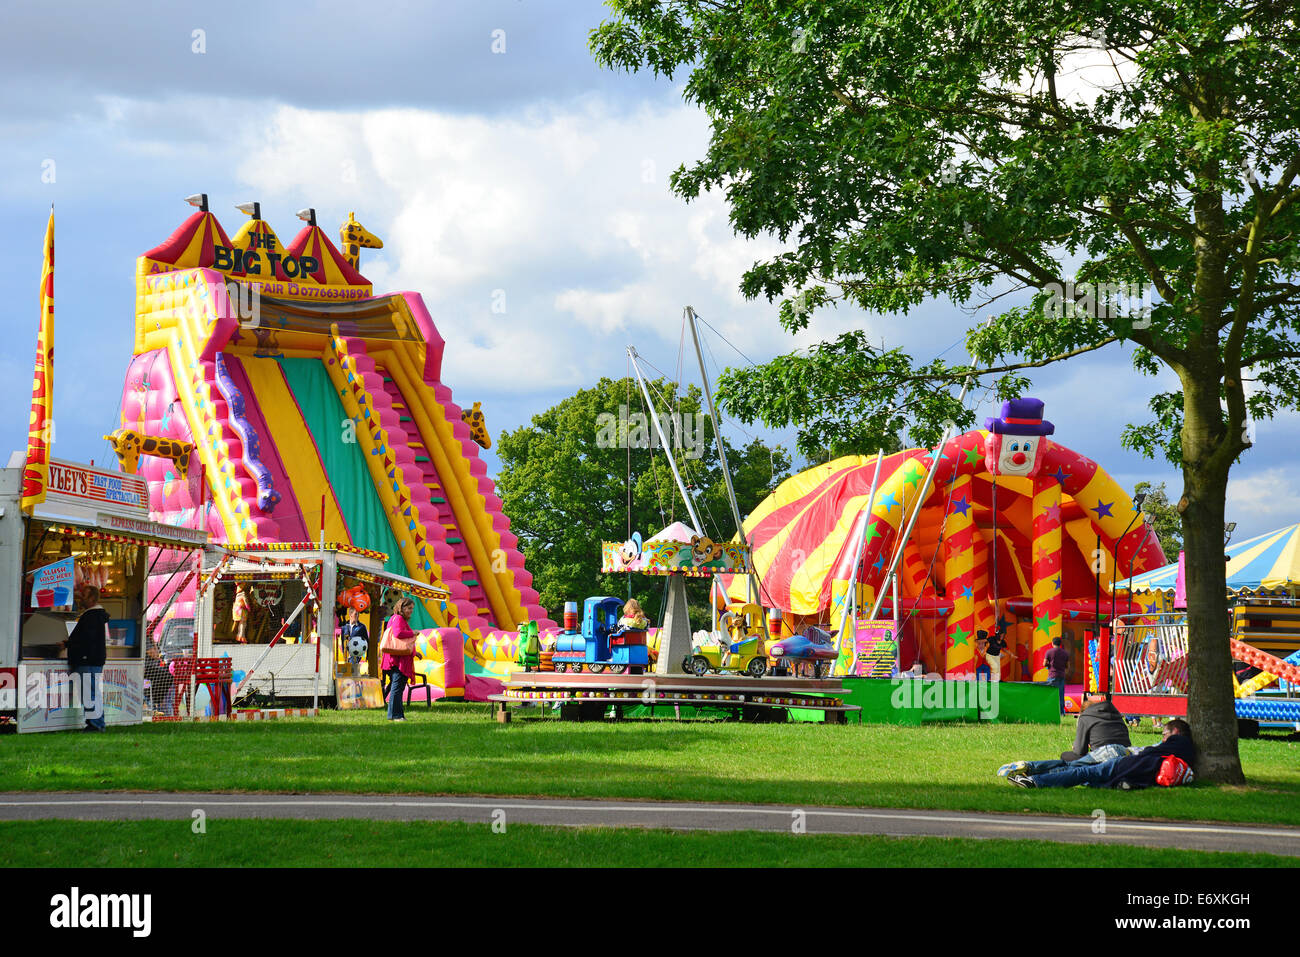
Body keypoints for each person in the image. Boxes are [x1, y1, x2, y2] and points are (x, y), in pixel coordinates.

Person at [1006, 719, 1195, 789]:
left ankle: (1035, 778)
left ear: (1175, 732)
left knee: (1079, 770)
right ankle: (1033, 775)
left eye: (1165, 735)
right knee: (1084, 774)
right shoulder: (1185, 755)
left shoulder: (1176, 744)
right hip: (1130, 771)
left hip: (1125, 762)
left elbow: (1150, 751)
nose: (1163, 739)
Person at [64, 586, 110, 732]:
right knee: (92, 692)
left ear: (91, 598)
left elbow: (85, 638)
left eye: (83, 594)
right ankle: (97, 722)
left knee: (89, 693)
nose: (80, 597)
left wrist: (69, 644)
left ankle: (95, 724)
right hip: (92, 659)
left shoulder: (91, 616)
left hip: (87, 660)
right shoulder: (96, 616)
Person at [1061, 693, 1131, 761]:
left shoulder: (1085, 717)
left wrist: (1077, 747)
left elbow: (1079, 751)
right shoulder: (1117, 715)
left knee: (1065, 755)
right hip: (1124, 756)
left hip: (1102, 757)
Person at [381, 598, 417, 722]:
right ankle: (395, 715)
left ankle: (398, 715)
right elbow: (398, 634)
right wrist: (413, 633)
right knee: (397, 687)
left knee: (398, 687)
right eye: (409, 608)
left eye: (412, 608)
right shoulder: (399, 619)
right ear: (401, 608)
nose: (411, 611)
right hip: (398, 659)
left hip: (395, 657)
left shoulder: (394, 618)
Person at [1045, 636, 1070, 714]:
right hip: (1061, 676)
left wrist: (1049, 664)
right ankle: (1061, 712)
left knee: (1050, 694)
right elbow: (1067, 666)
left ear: (1052, 643)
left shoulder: (1049, 652)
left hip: (1052, 675)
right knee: (1061, 694)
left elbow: (1044, 663)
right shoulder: (1065, 653)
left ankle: (1050, 711)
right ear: (1060, 644)